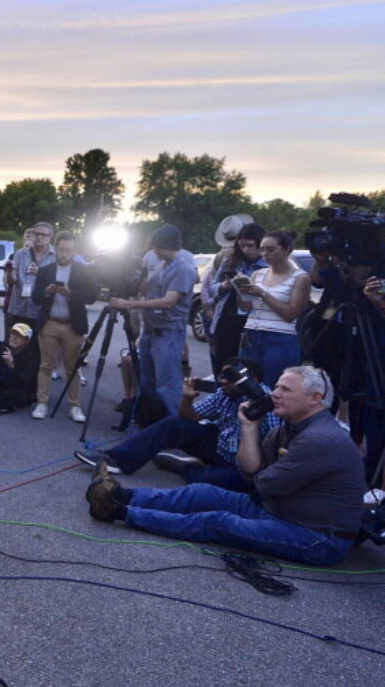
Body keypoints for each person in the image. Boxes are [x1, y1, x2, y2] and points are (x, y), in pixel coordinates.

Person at [85, 366, 367, 566]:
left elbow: (264, 482)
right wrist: (248, 427)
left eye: (284, 389)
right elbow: (248, 471)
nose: (274, 394)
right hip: (275, 510)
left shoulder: (321, 438)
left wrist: (259, 472)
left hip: (317, 537)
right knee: (203, 493)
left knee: (216, 521)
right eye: (277, 386)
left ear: (315, 398)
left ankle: (119, 512)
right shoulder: (288, 428)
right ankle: (120, 494)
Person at [75, 357, 282, 491]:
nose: (223, 381)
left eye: (230, 377)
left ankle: (184, 467)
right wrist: (187, 398)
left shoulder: (268, 403)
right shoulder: (224, 393)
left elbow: (271, 456)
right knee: (174, 424)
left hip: (243, 464)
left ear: (251, 379)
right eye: (221, 376)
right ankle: (115, 459)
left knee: (206, 482)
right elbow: (188, 417)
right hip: (220, 446)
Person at [109, 225, 196, 415]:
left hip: (168, 333)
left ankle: (175, 425)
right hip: (150, 331)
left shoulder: (184, 269)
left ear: (167, 246)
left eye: (155, 247)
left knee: (167, 384)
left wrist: (129, 305)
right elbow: (147, 291)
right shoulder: (161, 267)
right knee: (147, 381)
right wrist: (132, 273)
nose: (153, 251)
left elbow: (168, 302)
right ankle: (149, 419)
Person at [30, 231, 98, 422]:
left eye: (68, 251)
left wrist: (71, 294)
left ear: (74, 251)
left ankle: (74, 406)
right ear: (56, 248)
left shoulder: (83, 270)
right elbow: (35, 298)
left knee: (72, 368)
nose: (64, 254)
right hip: (49, 323)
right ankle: (41, 403)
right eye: (61, 250)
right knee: (45, 366)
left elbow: (93, 297)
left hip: (72, 325)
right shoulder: (45, 270)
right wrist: (46, 292)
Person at [237, 230, 311, 387]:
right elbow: (246, 307)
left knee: (273, 386)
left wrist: (263, 293)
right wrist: (239, 291)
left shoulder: (300, 277)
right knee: (247, 385)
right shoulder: (258, 274)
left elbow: (291, 314)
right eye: (262, 249)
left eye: (270, 250)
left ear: (286, 249)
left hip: (280, 337)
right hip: (251, 333)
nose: (265, 254)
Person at [202, 223, 266, 375]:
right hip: (225, 318)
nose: (246, 250)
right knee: (224, 367)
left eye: (250, 245)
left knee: (247, 370)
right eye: (242, 246)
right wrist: (223, 286)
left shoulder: (268, 265)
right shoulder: (232, 261)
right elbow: (211, 287)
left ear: (260, 244)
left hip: (252, 320)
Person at [5, 222, 56, 334]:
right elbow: (12, 282)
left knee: (38, 348)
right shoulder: (20, 254)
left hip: (42, 312)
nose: (39, 237)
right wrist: (9, 271)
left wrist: (41, 274)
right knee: (15, 347)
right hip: (19, 309)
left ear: (50, 236)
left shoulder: (55, 256)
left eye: (43, 234)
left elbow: (57, 282)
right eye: (36, 233)